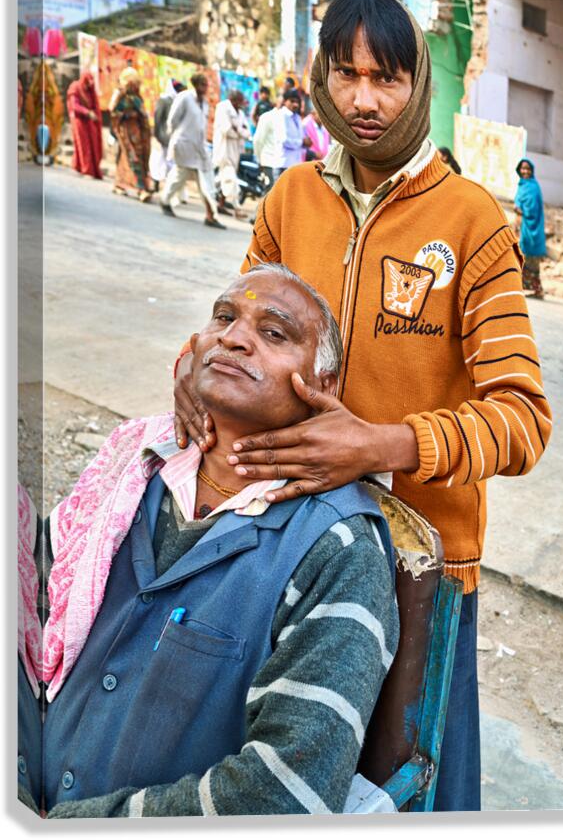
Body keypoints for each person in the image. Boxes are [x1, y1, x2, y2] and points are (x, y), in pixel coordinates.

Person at [174, 0, 552, 813]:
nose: (364, 101)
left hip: (418, 568)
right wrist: (194, 362)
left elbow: (522, 419)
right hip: (278, 539)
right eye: (346, 75)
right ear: (322, 77)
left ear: (418, 84)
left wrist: (378, 445)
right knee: (275, 771)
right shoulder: (289, 201)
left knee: (402, 786)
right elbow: (238, 317)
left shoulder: (471, 223)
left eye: (386, 78)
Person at [38, 264, 398, 818]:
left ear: (323, 387)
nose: (233, 337)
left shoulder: (337, 548)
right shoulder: (132, 468)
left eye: (273, 333)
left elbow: (284, 796)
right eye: (224, 317)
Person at [160, 74, 225, 229]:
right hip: (183, 144)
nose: (205, 88)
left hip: (198, 147)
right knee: (185, 175)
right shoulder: (185, 97)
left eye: (206, 85)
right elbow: (173, 120)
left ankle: (210, 213)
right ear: (196, 84)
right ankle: (209, 214)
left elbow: (201, 126)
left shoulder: (205, 104)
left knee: (201, 178)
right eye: (203, 84)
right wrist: (174, 138)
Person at [109, 67, 153, 203]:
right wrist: (126, 114)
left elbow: (143, 113)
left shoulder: (137, 97)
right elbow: (112, 110)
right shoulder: (120, 95)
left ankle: (120, 183)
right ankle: (141, 189)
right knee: (133, 156)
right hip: (125, 130)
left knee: (131, 157)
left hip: (138, 131)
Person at [213, 91, 250, 220]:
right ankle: (237, 208)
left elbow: (247, 132)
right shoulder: (223, 108)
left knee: (226, 178)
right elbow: (227, 130)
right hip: (224, 150)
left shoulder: (240, 113)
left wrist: (238, 129)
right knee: (230, 179)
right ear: (233, 100)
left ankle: (221, 204)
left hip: (235, 151)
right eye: (240, 100)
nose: (241, 103)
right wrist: (238, 131)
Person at [514, 158, 546, 299]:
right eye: (522, 169)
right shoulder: (522, 185)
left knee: (531, 260)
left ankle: (537, 290)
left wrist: (522, 211)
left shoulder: (533, 187)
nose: (525, 171)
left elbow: (533, 208)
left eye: (527, 169)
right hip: (522, 227)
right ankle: (524, 288)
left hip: (532, 228)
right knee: (522, 258)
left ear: (532, 171)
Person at [66, 72, 103, 180]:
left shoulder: (90, 89)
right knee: (84, 146)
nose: (88, 86)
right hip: (79, 120)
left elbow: (95, 104)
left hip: (90, 121)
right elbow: (74, 105)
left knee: (93, 145)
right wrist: (87, 112)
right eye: (87, 83)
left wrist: (96, 117)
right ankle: (87, 170)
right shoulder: (75, 87)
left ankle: (88, 168)